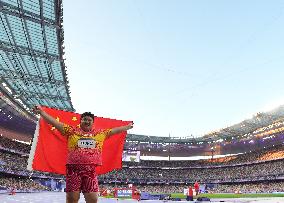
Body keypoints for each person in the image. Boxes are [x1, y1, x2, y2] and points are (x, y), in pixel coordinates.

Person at [33, 106, 133, 203]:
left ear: (93, 123)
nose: (87, 121)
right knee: (72, 199)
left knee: (93, 200)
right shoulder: (71, 131)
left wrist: (127, 127)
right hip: (73, 171)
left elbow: (115, 130)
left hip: (90, 171)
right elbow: (55, 122)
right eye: (84, 119)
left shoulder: (101, 133)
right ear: (80, 121)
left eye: (89, 120)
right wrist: (42, 112)